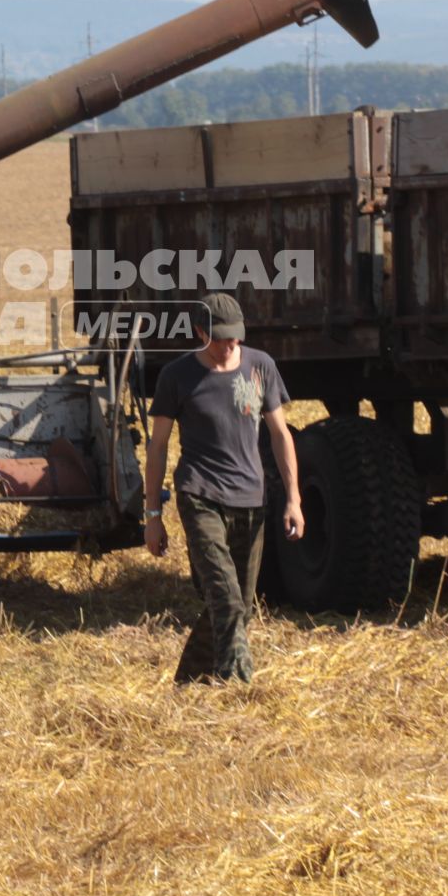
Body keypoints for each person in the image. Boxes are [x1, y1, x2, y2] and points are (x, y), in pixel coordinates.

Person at [143, 292, 304, 684]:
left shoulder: (260, 366)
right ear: (200, 332)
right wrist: (152, 516)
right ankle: (238, 686)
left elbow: (280, 434)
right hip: (200, 496)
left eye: (236, 337)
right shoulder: (177, 376)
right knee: (225, 597)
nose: (231, 345)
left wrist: (294, 499)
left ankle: (189, 682)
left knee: (241, 608)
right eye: (221, 338)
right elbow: (158, 445)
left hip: (251, 499)